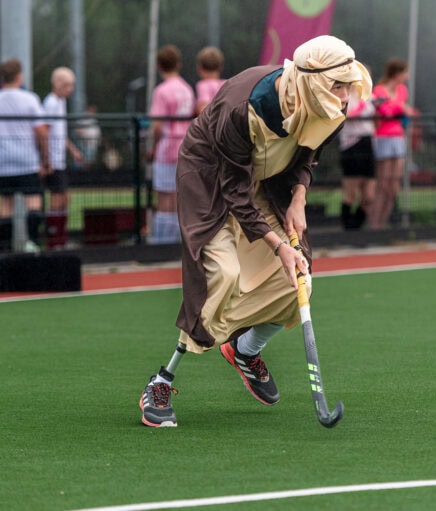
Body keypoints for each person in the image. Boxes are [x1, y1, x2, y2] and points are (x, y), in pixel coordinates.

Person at [138, 35, 372, 427]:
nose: (345, 95)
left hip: (268, 179)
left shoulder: (328, 104)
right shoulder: (239, 107)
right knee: (222, 276)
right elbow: (235, 191)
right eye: (338, 84)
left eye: (348, 84)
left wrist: (298, 198)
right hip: (211, 179)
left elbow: (306, 154)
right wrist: (279, 244)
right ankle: (161, 381)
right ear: (311, 81)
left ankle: (245, 350)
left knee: (296, 282)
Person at [0, 58, 50, 252]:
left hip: (3, 163)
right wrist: (45, 158)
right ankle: (32, 244)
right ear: (19, 76)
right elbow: (42, 131)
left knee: (5, 206)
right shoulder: (30, 99)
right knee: (33, 203)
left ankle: (6, 249)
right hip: (27, 162)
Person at [146, 45, 196, 244]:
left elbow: (157, 126)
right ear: (178, 64)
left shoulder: (162, 90)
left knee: (164, 197)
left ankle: (161, 241)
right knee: (179, 198)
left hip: (167, 149)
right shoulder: (186, 88)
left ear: (159, 66)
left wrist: (152, 148)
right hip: (185, 147)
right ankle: (178, 241)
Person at [368, 58, 413, 230]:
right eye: (405, 73)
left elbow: (398, 109)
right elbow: (384, 111)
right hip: (383, 138)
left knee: (394, 186)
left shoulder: (402, 90)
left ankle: (383, 222)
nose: (407, 76)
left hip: (398, 138)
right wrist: (399, 107)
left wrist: (397, 107)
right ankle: (374, 225)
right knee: (383, 184)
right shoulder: (380, 90)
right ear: (397, 73)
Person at [43, 66, 83, 249]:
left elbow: (60, 132)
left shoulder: (61, 103)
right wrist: (46, 159)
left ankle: (60, 238)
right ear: (58, 84)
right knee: (57, 198)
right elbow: (46, 131)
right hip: (53, 159)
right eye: (68, 85)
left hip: (59, 158)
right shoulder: (50, 103)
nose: (71, 89)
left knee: (64, 198)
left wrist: (72, 149)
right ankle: (55, 241)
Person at [338, 85, 376, 230]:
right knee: (351, 193)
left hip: (368, 143)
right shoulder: (345, 96)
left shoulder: (369, 96)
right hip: (351, 144)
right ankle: (347, 229)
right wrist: (356, 111)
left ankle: (357, 227)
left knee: (369, 196)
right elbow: (342, 117)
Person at [194, 46, 226, 115]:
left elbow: (203, 110)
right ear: (220, 67)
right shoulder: (226, 84)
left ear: (199, 68)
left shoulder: (203, 85)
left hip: (211, 124)